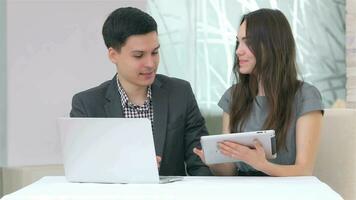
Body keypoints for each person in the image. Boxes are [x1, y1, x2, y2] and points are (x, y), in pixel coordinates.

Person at [70, 7, 212, 176]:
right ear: (113, 55)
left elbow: (200, 164)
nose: (151, 63)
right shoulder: (87, 105)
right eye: (139, 55)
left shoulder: (180, 93)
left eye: (155, 52)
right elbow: (84, 171)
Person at [194, 8, 323, 176]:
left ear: (272, 45)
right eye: (238, 42)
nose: (239, 51)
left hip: (288, 190)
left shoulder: (305, 96)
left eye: (247, 42)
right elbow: (230, 171)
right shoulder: (233, 96)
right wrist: (213, 161)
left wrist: (261, 164)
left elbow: (304, 170)